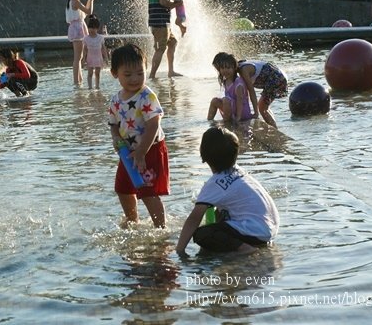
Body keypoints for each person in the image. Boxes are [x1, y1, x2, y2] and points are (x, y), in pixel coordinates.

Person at [176, 126, 280, 257]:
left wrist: (180, 250)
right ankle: (245, 244)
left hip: (256, 231)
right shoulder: (238, 171)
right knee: (221, 215)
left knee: (201, 234)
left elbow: (194, 219)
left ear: (203, 155)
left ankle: (245, 249)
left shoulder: (214, 183)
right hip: (270, 227)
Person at [108, 44, 170, 228]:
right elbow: (113, 124)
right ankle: (132, 220)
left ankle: (160, 228)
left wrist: (142, 151)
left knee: (147, 191)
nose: (135, 79)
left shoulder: (146, 96)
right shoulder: (116, 99)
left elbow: (154, 123)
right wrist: (116, 138)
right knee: (123, 188)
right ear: (114, 73)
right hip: (127, 152)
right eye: (128, 75)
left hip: (149, 149)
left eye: (140, 73)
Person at [148, 0, 184, 79]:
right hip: (160, 23)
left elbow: (162, 3)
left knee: (172, 42)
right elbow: (163, 2)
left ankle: (171, 71)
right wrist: (176, 4)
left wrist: (174, 4)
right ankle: (152, 75)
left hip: (161, 23)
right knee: (160, 49)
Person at [237, 56, 288, 128]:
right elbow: (245, 93)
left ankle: (274, 130)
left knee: (262, 108)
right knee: (264, 107)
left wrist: (256, 113)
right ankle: (274, 127)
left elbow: (251, 91)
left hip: (275, 78)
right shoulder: (242, 64)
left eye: (227, 67)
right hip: (279, 76)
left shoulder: (243, 70)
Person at [207, 52, 252, 123]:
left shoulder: (238, 83)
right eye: (223, 68)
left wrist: (238, 117)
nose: (225, 70)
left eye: (228, 68)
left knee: (225, 99)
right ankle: (210, 122)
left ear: (234, 68)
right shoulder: (226, 81)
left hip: (241, 112)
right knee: (214, 101)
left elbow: (240, 101)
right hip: (231, 108)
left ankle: (226, 123)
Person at [66, 0, 96, 86]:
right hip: (78, 28)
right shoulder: (75, 1)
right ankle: (76, 81)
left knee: (80, 57)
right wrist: (91, 0)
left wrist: (89, 0)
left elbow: (86, 11)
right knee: (78, 57)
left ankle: (79, 80)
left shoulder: (72, 1)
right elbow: (89, 11)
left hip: (77, 27)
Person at [82, 15, 108, 89]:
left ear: (97, 28)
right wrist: (83, 59)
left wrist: (106, 58)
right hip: (90, 58)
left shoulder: (100, 38)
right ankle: (90, 87)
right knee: (90, 73)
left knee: (97, 73)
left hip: (98, 58)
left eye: (93, 28)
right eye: (90, 28)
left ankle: (97, 86)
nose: (91, 30)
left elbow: (103, 49)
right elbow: (85, 49)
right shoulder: (86, 38)